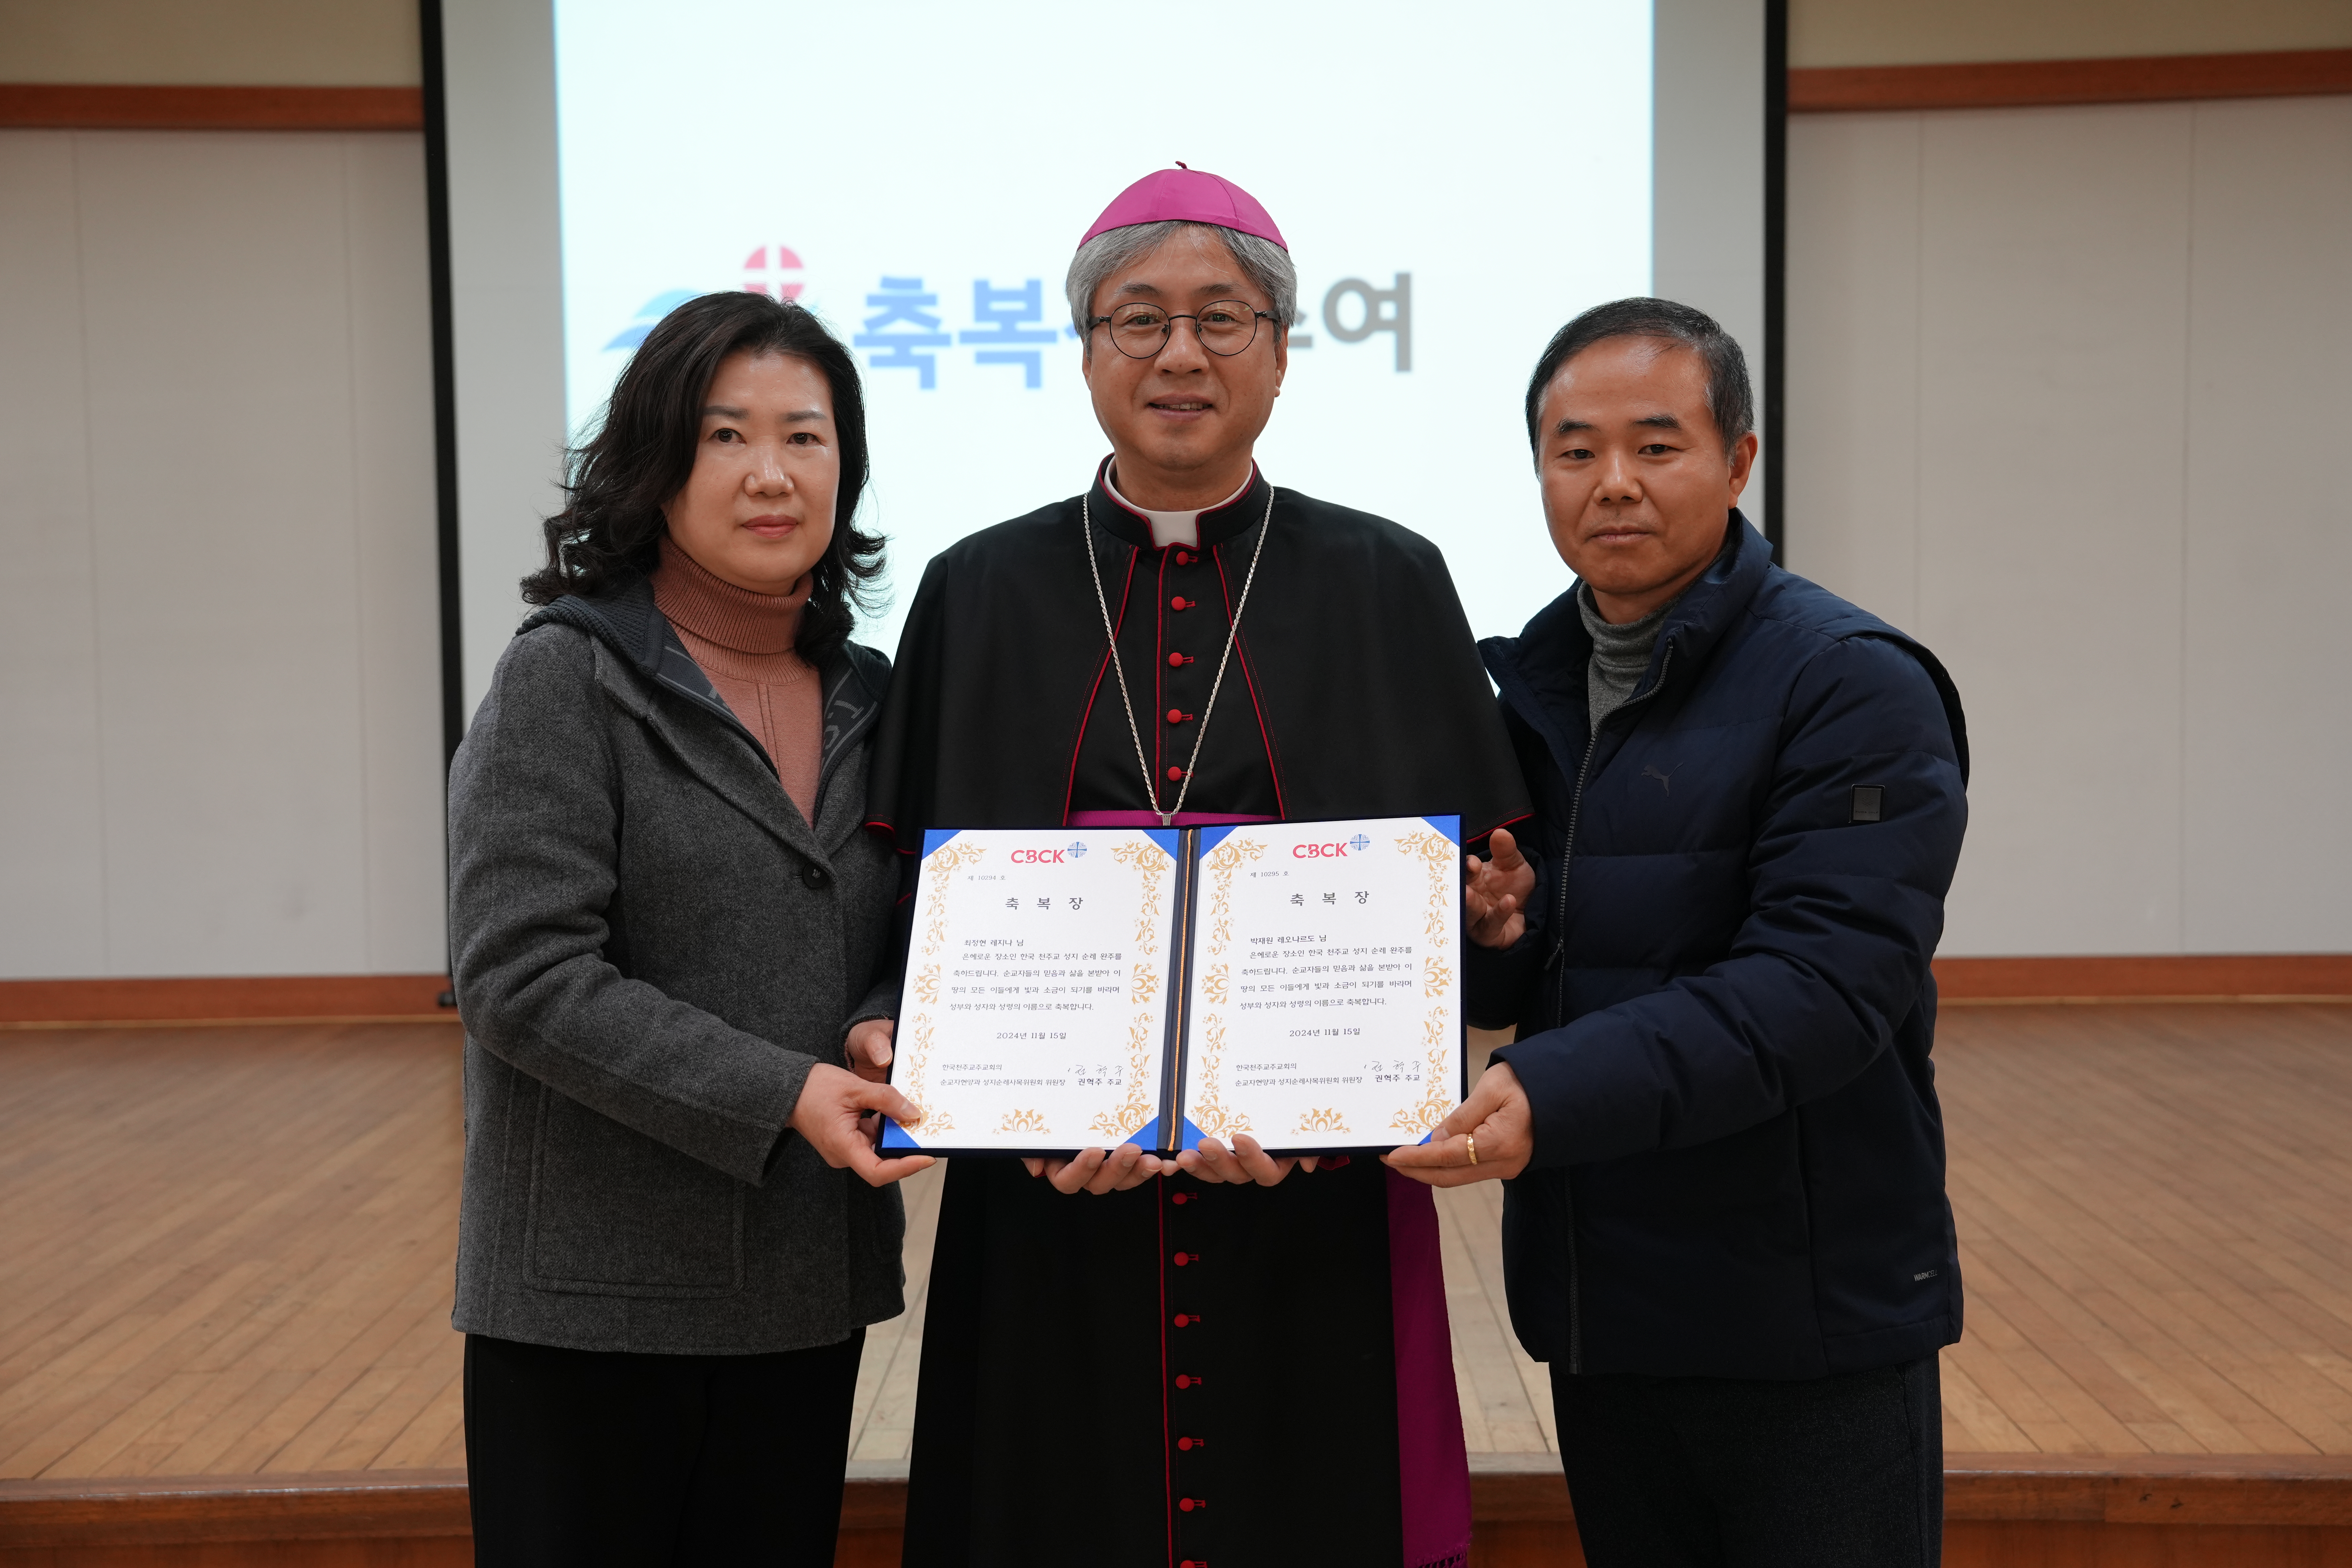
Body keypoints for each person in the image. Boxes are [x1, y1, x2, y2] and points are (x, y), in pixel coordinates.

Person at [862, 166, 1530, 1568]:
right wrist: (919, 1036)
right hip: (1052, 1198)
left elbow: (1476, 921)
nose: (1179, 354)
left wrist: (1497, 926)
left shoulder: (1391, 580)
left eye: (1223, 319)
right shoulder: (975, 591)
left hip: (1317, 1201)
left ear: (1283, 350)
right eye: (1138, 319)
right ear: (1086, 350)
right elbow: (908, 908)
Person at [1387, 297, 1970, 1567]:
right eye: (1574, 450)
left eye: (1658, 446)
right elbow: (1564, 961)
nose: (1613, 486)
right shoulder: (1530, 685)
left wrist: (1542, 1084)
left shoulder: (1851, 681)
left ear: (1740, 461)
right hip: (1606, 1307)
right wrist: (1498, 935)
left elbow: (1824, 987)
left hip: (1804, 1316)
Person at [446, 291, 933, 1566]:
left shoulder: (874, 700)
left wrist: (890, 1016)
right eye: (726, 437)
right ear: (659, 464)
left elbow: (911, 928)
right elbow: (520, 974)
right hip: (597, 1305)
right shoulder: (568, 674)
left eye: (806, 438)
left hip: (801, 1288)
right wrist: (782, 1092)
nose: (770, 473)